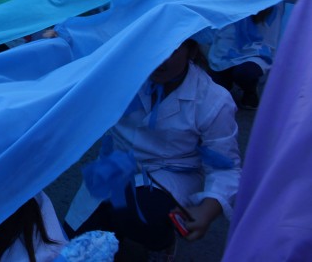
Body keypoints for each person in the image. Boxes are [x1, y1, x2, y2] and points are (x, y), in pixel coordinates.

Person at [65, 40, 241, 258]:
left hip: (171, 173)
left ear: (191, 50)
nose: (159, 59)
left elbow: (225, 167)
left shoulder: (213, 100)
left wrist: (207, 208)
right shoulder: (121, 76)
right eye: (152, 45)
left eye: (171, 49)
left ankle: (158, 239)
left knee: (141, 216)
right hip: (117, 166)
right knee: (75, 245)